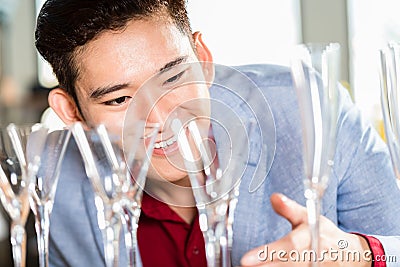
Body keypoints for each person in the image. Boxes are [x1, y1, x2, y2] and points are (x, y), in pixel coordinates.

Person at [34, 0, 400, 266]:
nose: (163, 116)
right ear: (71, 111)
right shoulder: (54, 188)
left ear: (203, 59)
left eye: (173, 77)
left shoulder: (312, 112)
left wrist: (365, 253)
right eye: (120, 99)